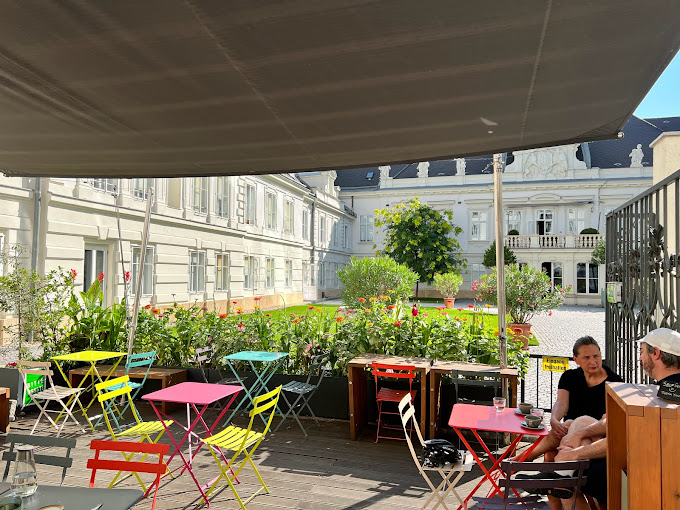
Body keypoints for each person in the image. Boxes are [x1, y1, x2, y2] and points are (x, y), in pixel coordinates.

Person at [532, 328, 680, 509]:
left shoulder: (663, 393)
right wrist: (580, 434)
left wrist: (575, 453)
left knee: (571, 464)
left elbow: (626, 439)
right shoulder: (664, 388)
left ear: (655, 353)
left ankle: (555, 473)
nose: (640, 358)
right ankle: (558, 473)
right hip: (637, 459)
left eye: (641, 352)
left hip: (646, 474)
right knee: (578, 425)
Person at [521, 336, 622, 465]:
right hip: (567, 433)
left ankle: (522, 459)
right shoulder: (569, 377)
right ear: (576, 359)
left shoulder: (615, 382)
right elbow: (561, 403)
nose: (593, 362)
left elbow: (610, 421)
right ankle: (524, 459)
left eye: (596, 356)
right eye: (586, 357)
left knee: (568, 425)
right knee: (562, 430)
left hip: (595, 434)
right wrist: (554, 419)